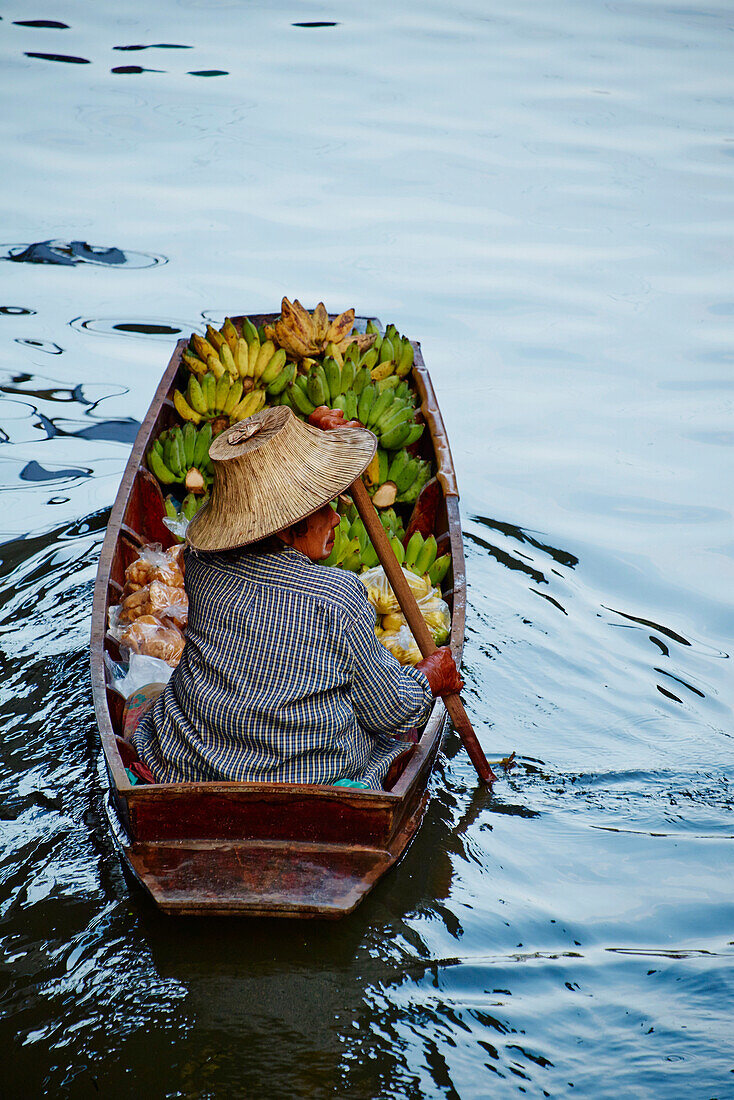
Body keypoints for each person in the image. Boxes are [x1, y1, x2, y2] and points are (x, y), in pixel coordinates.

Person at [133, 404, 463, 790]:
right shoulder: (338, 596)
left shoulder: (199, 560)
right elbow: (389, 709)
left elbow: (248, 506)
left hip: (191, 760)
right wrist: (429, 678)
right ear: (287, 530)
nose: (337, 518)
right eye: (324, 508)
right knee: (392, 732)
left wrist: (306, 440)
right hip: (308, 777)